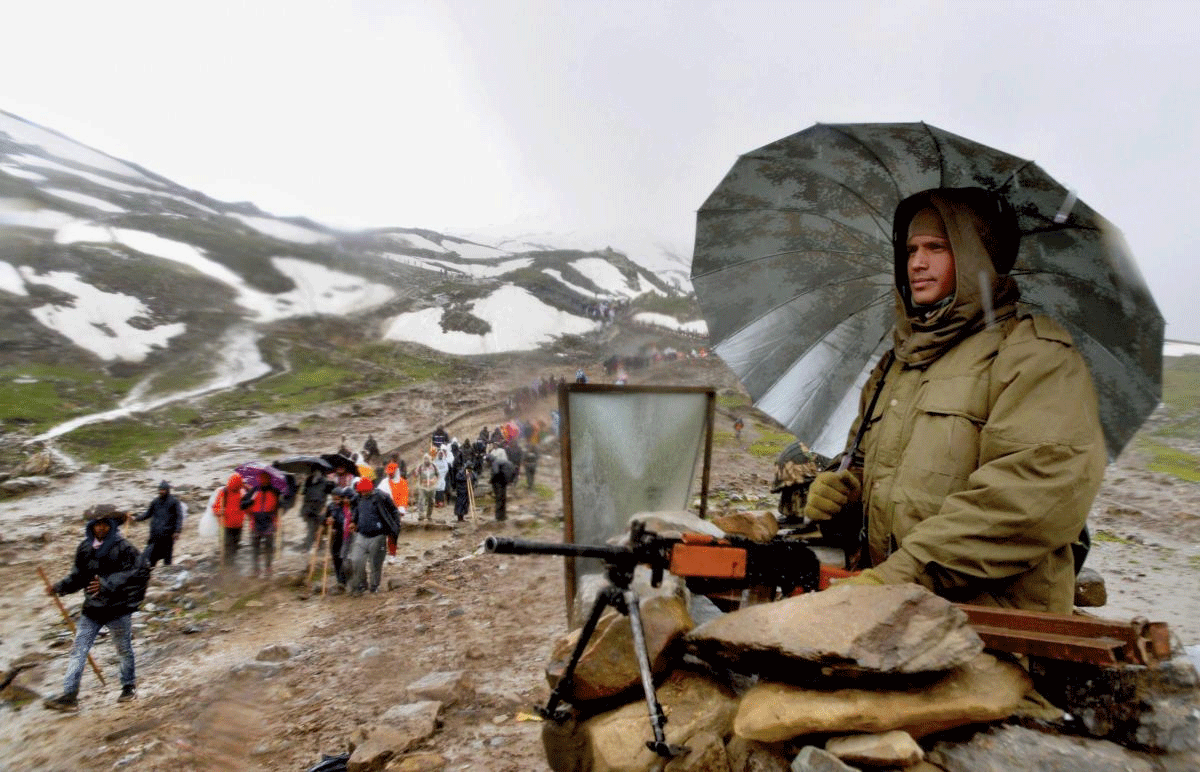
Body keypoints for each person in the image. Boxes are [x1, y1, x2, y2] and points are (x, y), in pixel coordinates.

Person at [804, 187, 1106, 614]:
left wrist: (904, 573)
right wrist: (844, 495)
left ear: (975, 256)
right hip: (893, 613)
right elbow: (872, 468)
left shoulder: (1034, 354)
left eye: (936, 248)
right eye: (910, 250)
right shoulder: (898, 362)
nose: (917, 263)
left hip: (997, 630)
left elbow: (1029, 498)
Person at [43, 505, 149, 711]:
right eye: (96, 524)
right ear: (90, 526)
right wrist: (59, 588)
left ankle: (128, 688)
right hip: (91, 610)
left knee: (123, 649)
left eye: (104, 524)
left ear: (111, 525)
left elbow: (139, 572)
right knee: (78, 650)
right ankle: (70, 696)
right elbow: (78, 577)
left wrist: (107, 583)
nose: (100, 528)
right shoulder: (84, 548)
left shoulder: (124, 548)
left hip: (117, 609)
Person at [347, 477, 400, 595]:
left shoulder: (382, 497)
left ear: (371, 489)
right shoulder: (357, 498)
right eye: (362, 492)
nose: (364, 493)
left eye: (366, 491)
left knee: (375, 563)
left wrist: (395, 526)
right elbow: (355, 511)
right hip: (361, 534)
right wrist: (353, 522)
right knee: (356, 560)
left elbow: (394, 511)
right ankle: (362, 583)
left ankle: (374, 586)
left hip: (378, 535)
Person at [134, 480, 184, 568]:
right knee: (150, 559)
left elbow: (179, 517)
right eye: (160, 490)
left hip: (168, 536)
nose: (161, 491)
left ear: (168, 490)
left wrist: (177, 531)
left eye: (163, 490)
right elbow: (148, 514)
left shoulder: (174, 502)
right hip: (155, 536)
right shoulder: (155, 502)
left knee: (167, 560)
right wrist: (136, 518)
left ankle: (167, 574)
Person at [241, 471, 281, 578]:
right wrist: (250, 502)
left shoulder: (275, 491)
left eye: (265, 480)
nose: (263, 483)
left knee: (268, 547)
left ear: (269, 480)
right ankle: (256, 569)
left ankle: (267, 568)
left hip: (269, 522)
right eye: (261, 480)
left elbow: (280, 506)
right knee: (256, 548)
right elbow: (242, 505)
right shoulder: (254, 490)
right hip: (255, 523)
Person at [213, 472, 247, 568]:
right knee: (226, 547)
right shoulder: (223, 492)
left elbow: (247, 506)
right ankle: (226, 567)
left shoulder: (242, 492)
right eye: (234, 486)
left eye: (237, 486)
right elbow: (215, 508)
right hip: (225, 526)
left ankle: (231, 565)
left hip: (238, 525)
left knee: (235, 546)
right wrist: (220, 512)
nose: (235, 488)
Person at [298, 469, 334, 553]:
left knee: (319, 528)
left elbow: (330, 494)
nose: (315, 473)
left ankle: (317, 545)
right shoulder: (308, 481)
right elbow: (304, 494)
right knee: (311, 528)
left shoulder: (325, 482)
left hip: (320, 508)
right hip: (309, 508)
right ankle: (308, 547)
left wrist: (325, 507)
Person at [383, 461, 409, 563]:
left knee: (393, 533)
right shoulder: (384, 482)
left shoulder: (402, 482)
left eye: (392, 472)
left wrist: (402, 508)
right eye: (389, 472)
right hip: (385, 510)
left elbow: (404, 496)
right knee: (382, 534)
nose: (390, 474)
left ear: (396, 471)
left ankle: (392, 555)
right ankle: (383, 554)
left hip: (396, 511)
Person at [489, 448, 515, 522]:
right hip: (504, 481)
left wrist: (491, 480)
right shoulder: (502, 461)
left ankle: (498, 517)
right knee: (503, 498)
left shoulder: (495, 462)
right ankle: (503, 516)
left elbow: (496, 472)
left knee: (499, 499)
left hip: (499, 483)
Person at [415, 453, 438, 522]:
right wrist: (416, 474)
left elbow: (437, 475)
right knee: (421, 500)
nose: (426, 460)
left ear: (430, 459)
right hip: (422, 486)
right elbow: (416, 474)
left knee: (431, 501)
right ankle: (421, 515)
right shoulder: (420, 466)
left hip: (432, 487)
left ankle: (429, 515)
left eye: (427, 459)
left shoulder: (434, 466)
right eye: (425, 459)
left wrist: (434, 480)